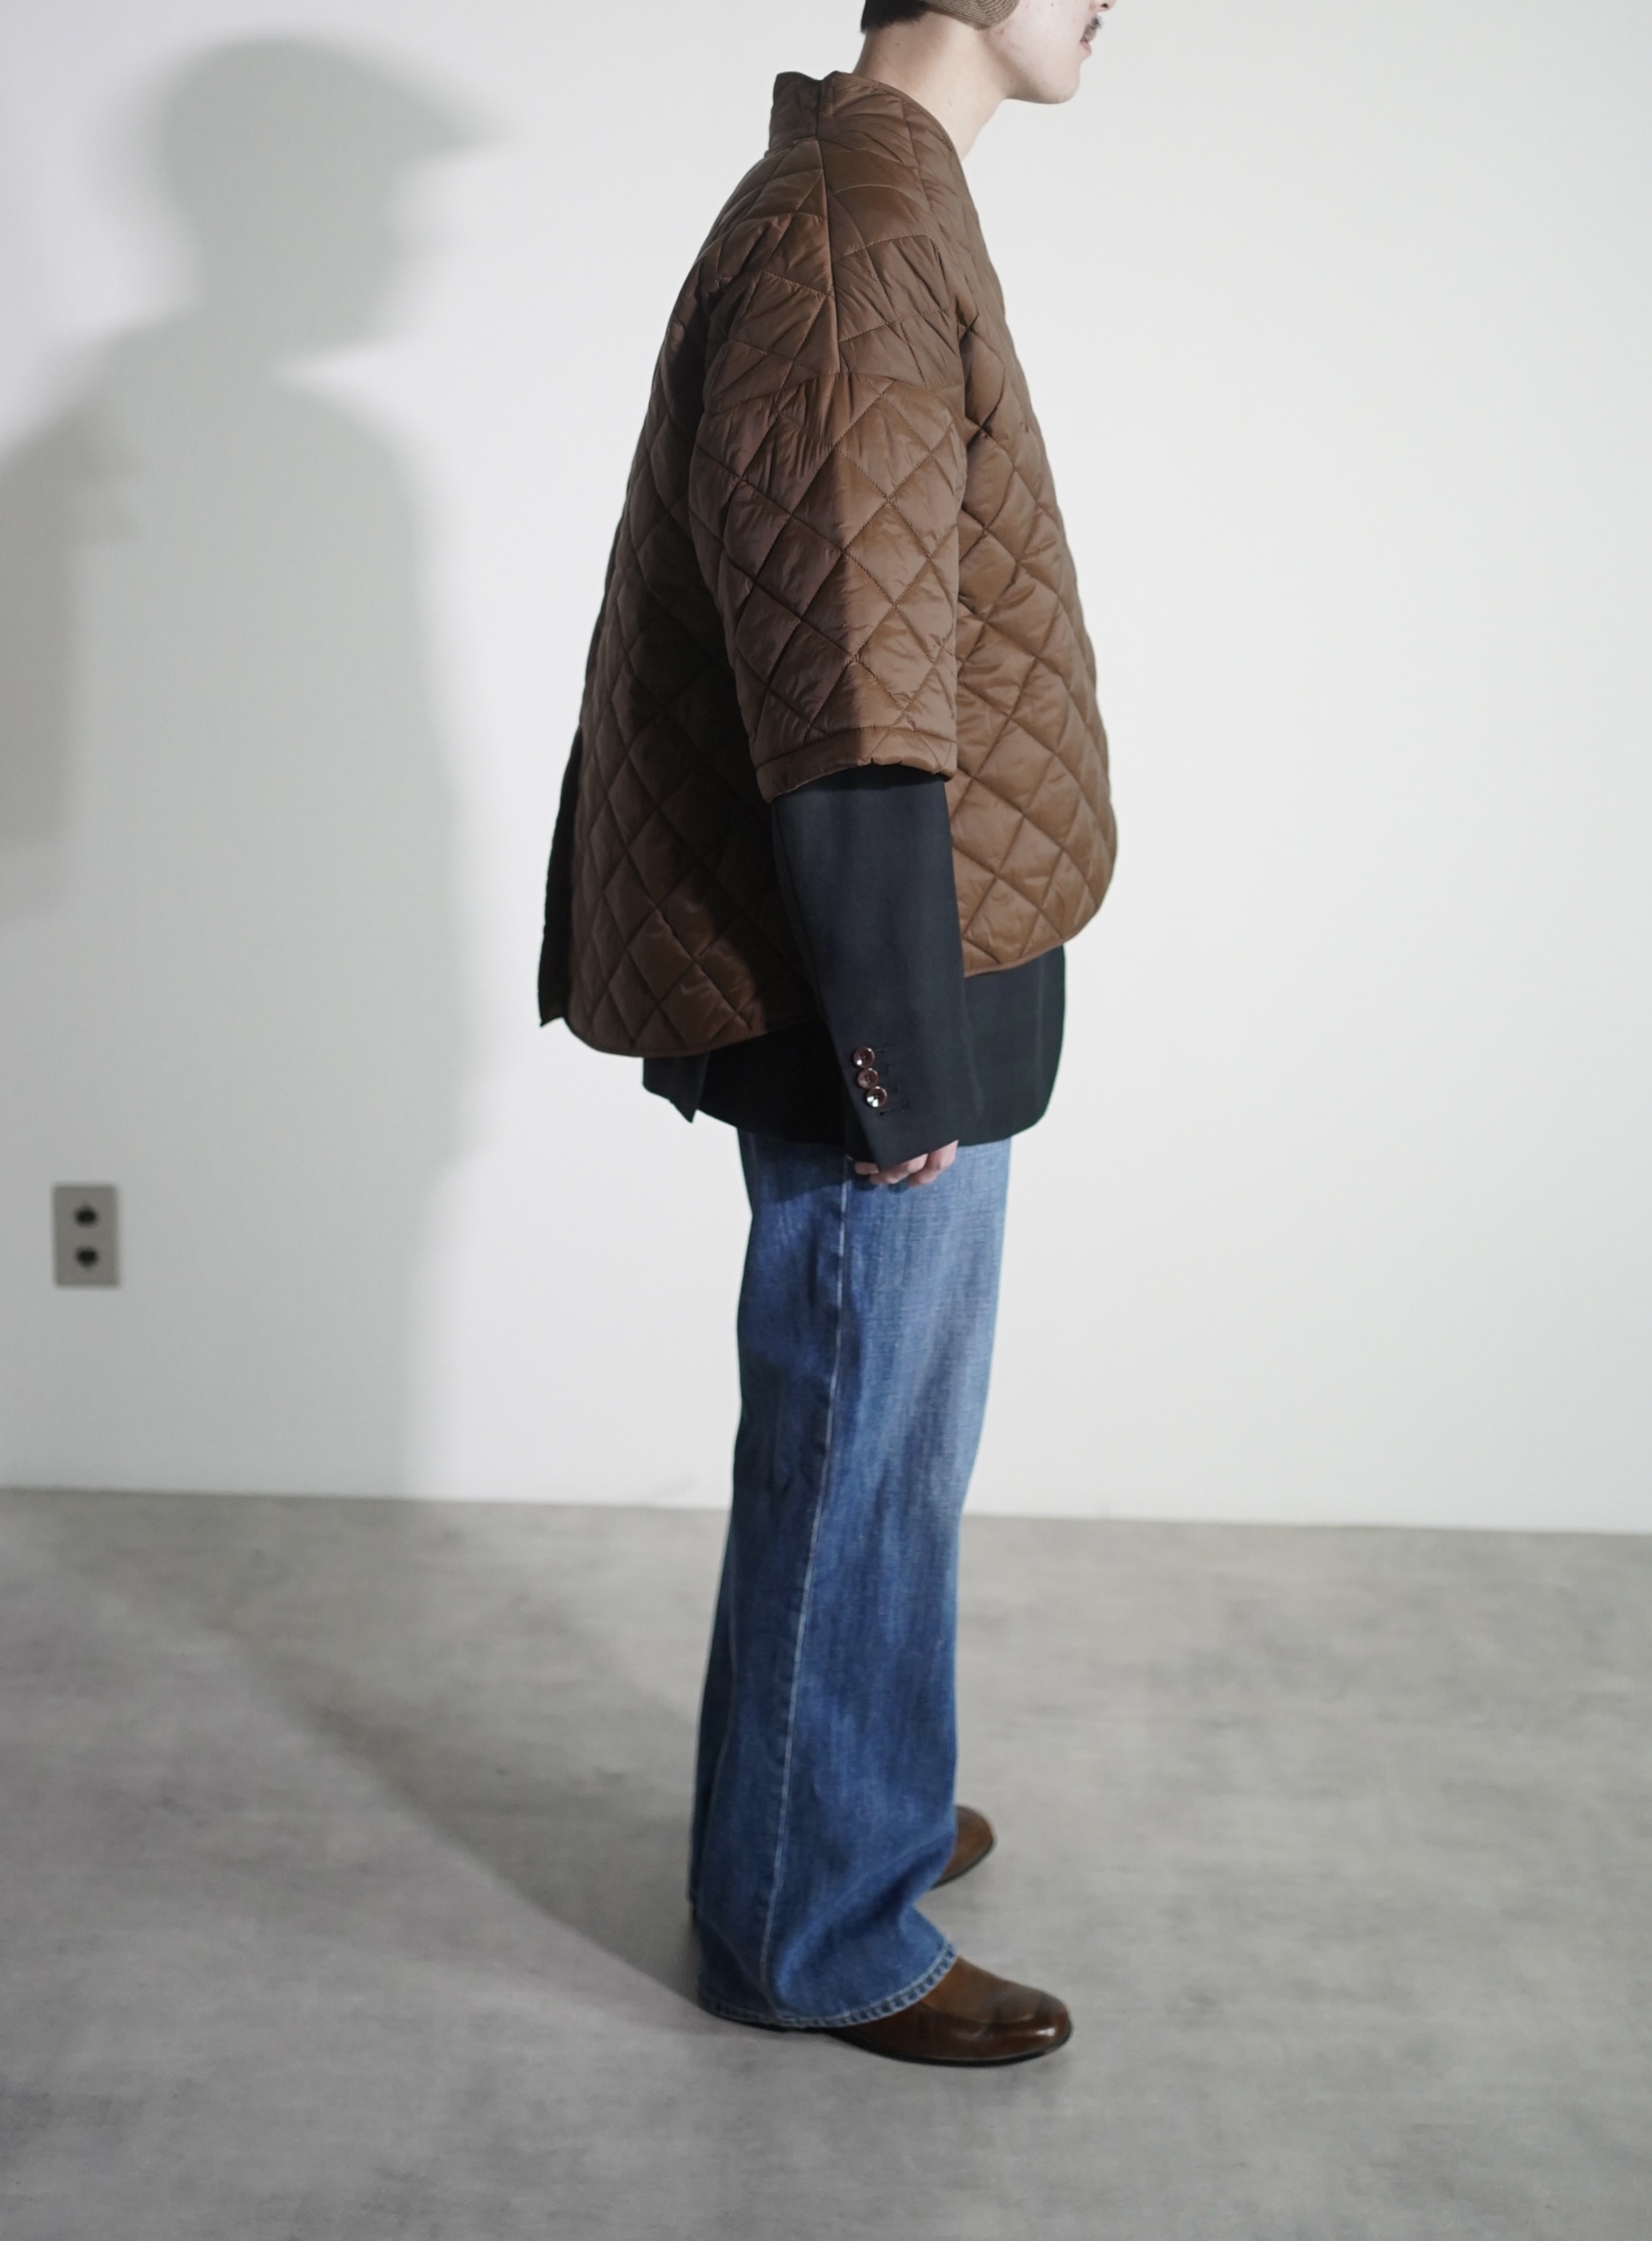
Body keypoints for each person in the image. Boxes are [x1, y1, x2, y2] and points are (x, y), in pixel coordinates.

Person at [539, 0, 1117, 2065]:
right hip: (876, 973)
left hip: (920, 952)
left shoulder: (877, 197)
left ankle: (840, 1793)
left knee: (894, 1435)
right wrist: (893, 1058)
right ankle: (815, 1920)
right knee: (862, 1439)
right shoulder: (856, 230)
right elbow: (855, 673)